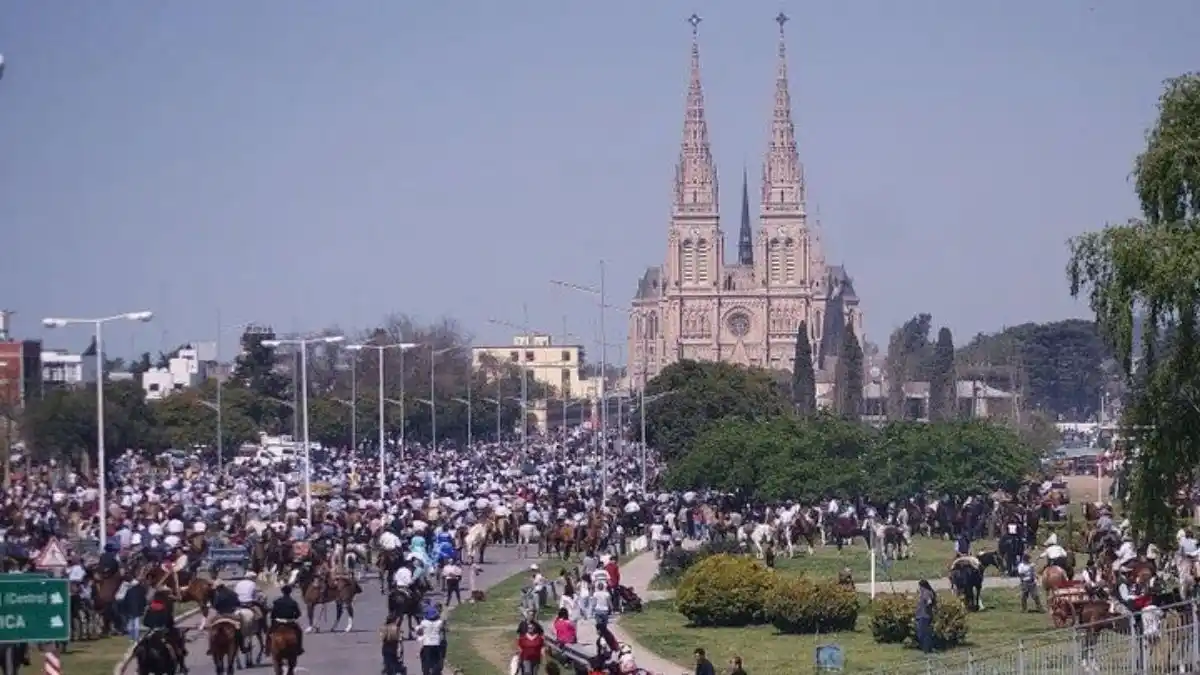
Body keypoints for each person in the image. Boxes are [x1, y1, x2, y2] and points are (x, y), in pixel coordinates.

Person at [142, 590, 187, 670]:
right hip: (166, 630)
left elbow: (145, 622)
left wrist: (152, 626)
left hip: (152, 630)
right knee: (177, 644)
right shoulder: (166, 606)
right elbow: (169, 620)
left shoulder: (150, 607)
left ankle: (141, 666)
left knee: (142, 644)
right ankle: (182, 664)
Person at [270, 584, 304, 655]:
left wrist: (274, 619)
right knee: (299, 632)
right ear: (290, 592)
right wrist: (294, 617)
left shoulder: (277, 602)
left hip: (278, 622)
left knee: (269, 633)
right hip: (290, 622)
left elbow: (272, 614)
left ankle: (268, 648)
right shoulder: (293, 602)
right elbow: (298, 614)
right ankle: (299, 648)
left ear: (282, 592)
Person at [416, 605, 446, 675]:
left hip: (427, 645)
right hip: (437, 644)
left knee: (424, 657)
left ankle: (425, 670)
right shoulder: (439, 622)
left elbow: (419, 631)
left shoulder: (424, 622)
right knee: (439, 657)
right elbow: (443, 630)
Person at [914, 579, 937, 654]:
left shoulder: (926, 593)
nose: (919, 588)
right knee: (922, 633)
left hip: (924, 616)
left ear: (922, 586)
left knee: (922, 634)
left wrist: (927, 607)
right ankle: (927, 648)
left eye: (919, 586)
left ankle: (927, 649)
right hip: (921, 616)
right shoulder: (923, 592)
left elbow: (929, 601)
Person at [380, 610, 406, 675]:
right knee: (400, 667)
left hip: (385, 649)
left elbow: (382, 638)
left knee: (387, 666)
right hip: (394, 649)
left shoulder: (383, 628)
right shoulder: (397, 628)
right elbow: (400, 639)